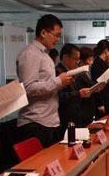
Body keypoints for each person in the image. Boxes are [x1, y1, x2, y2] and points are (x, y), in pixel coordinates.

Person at [16, 14, 74, 148]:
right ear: (43, 33)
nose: (58, 39)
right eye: (56, 35)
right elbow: (28, 88)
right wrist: (58, 81)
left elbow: (47, 85)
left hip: (49, 120)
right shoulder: (30, 54)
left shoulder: (45, 55)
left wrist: (62, 83)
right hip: (35, 122)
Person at [58, 43, 96, 129]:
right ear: (65, 58)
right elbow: (59, 96)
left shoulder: (73, 71)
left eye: (78, 59)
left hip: (77, 114)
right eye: (75, 59)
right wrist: (79, 94)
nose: (77, 62)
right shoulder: (58, 72)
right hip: (66, 117)